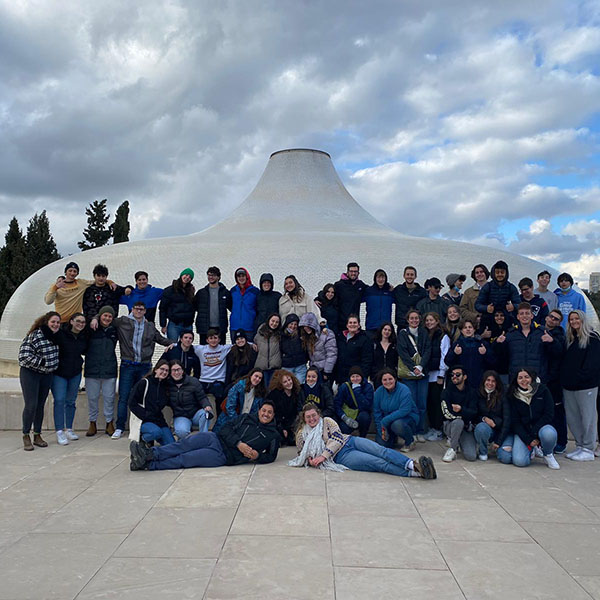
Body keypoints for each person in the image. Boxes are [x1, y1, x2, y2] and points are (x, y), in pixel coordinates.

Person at [91, 300, 175, 439]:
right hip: (127, 365)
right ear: (132, 309)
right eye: (136, 309)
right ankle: (119, 427)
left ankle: (140, 426)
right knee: (124, 397)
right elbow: (106, 319)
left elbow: (161, 339)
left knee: (142, 398)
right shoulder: (123, 321)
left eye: (141, 309)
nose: (139, 311)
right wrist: (94, 318)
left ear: (145, 311)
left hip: (144, 366)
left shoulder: (150, 326)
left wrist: (173, 343)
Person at [289, 403, 436, 479]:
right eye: (308, 417)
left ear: (318, 414)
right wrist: (310, 460)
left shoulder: (327, 421)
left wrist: (322, 456)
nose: (312, 419)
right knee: (377, 463)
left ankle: (412, 464)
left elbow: (337, 437)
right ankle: (417, 473)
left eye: (313, 415)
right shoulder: (302, 434)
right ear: (304, 419)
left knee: (381, 451)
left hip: (350, 441)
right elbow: (302, 453)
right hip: (341, 457)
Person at [129, 401, 280, 471]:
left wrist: (257, 456)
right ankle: (149, 454)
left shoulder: (273, 435)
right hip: (214, 438)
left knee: (186, 459)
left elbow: (271, 456)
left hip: (223, 456)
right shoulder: (246, 418)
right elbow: (224, 429)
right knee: (183, 445)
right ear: (259, 410)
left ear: (273, 415)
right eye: (264, 410)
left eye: (269, 412)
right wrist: (239, 443)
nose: (265, 414)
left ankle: (148, 465)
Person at [496, 368, 560, 469]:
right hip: (523, 432)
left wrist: (534, 434)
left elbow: (549, 414)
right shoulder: (512, 395)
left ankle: (547, 454)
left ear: (532, 378)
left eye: (527, 377)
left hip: (541, 428)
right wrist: (528, 439)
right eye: (520, 378)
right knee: (519, 461)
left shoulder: (543, 390)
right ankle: (531, 449)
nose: (523, 380)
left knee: (549, 433)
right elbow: (515, 422)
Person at [560, 310, 600, 461]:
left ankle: (589, 449)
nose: (574, 321)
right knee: (573, 418)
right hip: (569, 387)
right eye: (571, 319)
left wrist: (580, 378)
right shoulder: (571, 339)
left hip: (586, 386)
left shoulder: (592, 338)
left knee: (588, 417)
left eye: (577, 318)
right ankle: (580, 445)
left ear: (583, 320)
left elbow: (593, 364)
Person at [18, 312, 60, 450]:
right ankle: (26, 435)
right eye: (53, 322)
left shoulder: (56, 337)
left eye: (58, 322)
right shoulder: (35, 335)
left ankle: (37, 434)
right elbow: (23, 356)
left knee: (40, 405)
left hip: (46, 375)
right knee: (31, 405)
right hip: (30, 373)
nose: (55, 325)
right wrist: (42, 362)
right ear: (46, 322)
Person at [493, 302, 559, 383]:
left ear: (532, 315)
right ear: (518, 316)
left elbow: (557, 353)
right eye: (521, 313)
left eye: (527, 313)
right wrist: (498, 344)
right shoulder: (510, 334)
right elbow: (500, 356)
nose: (524, 316)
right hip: (517, 379)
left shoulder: (543, 332)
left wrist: (552, 342)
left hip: (537, 378)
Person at [51, 312, 87, 445]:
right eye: (78, 321)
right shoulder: (61, 334)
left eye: (83, 322)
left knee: (71, 401)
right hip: (60, 373)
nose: (80, 324)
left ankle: (69, 428)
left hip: (75, 373)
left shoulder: (83, 337)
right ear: (71, 321)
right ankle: (59, 430)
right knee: (59, 400)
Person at [397, 309, 431, 441]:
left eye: (416, 318)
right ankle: (411, 431)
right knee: (411, 404)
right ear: (407, 320)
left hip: (423, 374)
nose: (414, 320)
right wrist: (413, 367)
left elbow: (428, 350)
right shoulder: (403, 334)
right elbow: (402, 352)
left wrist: (421, 366)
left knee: (422, 404)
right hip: (408, 374)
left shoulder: (424, 332)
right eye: (412, 318)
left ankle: (420, 430)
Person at [84, 306, 119, 436]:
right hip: (92, 369)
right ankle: (92, 422)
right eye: (105, 315)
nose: (107, 318)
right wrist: (93, 319)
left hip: (109, 369)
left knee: (109, 398)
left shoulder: (114, 330)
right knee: (92, 398)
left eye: (110, 316)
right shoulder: (91, 329)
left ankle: (109, 422)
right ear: (100, 316)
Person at [128, 360, 175, 446]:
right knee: (156, 433)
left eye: (167, 371)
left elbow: (172, 403)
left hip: (159, 421)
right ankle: (142, 441)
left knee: (171, 445)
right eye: (162, 369)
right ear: (156, 369)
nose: (164, 372)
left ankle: (151, 441)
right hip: (143, 420)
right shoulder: (144, 383)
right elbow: (132, 403)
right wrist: (145, 415)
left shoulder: (166, 387)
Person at [373, 369, 419, 451]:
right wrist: (381, 430)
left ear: (395, 379)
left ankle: (410, 442)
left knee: (397, 425)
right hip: (387, 422)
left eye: (390, 379)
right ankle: (393, 438)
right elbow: (377, 412)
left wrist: (385, 420)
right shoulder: (378, 392)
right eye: (384, 380)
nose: (388, 382)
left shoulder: (404, 390)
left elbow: (405, 410)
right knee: (382, 444)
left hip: (406, 418)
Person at [445, 318, 495, 390]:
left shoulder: (482, 344)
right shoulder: (457, 344)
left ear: (474, 329)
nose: (468, 329)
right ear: (461, 330)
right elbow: (447, 362)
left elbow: (493, 362)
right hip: (462, 383)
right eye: (465, 328)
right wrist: (454, 353)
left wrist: (485, 353)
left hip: (479, 382)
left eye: (470, 327)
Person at [167, 360, 212, 439]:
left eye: (179, 369)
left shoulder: (193, 381)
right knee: (181, 432)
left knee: (206, 414)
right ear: (170, 372)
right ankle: (189, 444)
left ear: (183, 370)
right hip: (180, 416)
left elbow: (202, 397)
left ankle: (203, 438)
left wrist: (206, 405)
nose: (176, 372)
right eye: (174, 370)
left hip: (195, 414)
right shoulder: (167, 384)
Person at [441, 366, 477, 462]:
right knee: (458, 422)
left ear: (464, 377)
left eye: (458, 374)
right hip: (450, 425)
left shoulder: (472, 392)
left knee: (471, 456)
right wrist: (462, 416)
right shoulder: (446, 392)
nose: (454, 377)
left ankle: (457, 442)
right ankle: (452, 448)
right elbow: (445, 413)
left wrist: (461, 409)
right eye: (452, 375)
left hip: (466, 428)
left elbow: (474, 412)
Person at [423, 312, 450, 441]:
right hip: (427, 374)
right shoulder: (425, 335)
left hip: (437, 375)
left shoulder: (443, 336)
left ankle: (438, 429)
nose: (429, 323)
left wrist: (441, 374)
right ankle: (432, 427)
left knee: (437, 403)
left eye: (431, 320)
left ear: (437, 321)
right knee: (429, 403)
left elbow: (444, 356)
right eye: (427, 320)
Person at [543, 309, 567, 452]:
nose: (552, 320)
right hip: (542, 377)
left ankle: (561, 442)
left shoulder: (559, 335)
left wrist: (552, 341)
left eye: (556, 319)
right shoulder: (539, 330)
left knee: (557, 410)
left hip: (554, 379)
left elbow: (560, 350)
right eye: (551, 317)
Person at [473, 371, 510, 461]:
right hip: (485, 427)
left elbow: (507, 419)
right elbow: (474, 414)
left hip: (500, 429)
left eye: (493, 381)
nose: (490, 383)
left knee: (505, 457)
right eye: (488, 380)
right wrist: (484, 419)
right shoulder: (477, 393)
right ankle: (483, 452)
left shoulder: (503, 395)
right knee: (481, 428)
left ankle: (497, 447)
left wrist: (499, 441)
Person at [193, 329, 233, 412]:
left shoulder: (224, 349)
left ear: (219, 339)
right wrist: (171, 345)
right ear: (207, 340)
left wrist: (252, 345)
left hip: (218, 380)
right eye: (211, 338)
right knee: (195, 396)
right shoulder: (201, 349)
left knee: (219, 397)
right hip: (204, 380)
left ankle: (218, 419)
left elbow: (239, 343)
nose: (213, 340)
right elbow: (186, 345)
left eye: (215, 338)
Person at [475, 260, 520, 330]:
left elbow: (519, 304)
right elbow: (477, 305)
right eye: (497, 272)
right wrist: (486, 308)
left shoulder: (511, 287)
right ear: (494, 273)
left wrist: (513, 306)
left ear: (506, 273)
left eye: (502, 272)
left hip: (506, 321)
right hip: (489, 320)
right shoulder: (487, 287)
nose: (499, 274)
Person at [194, 266, 232, 344]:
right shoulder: (201, 293)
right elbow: (195, 307)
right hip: (205, 328)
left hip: (220, 328)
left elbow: (231, 307)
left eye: (213, 275)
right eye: (209, 275)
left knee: (220, 352)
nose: (211, 277)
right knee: (204, 352)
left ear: (218, 277)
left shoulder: (225, 293)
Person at [334, 366, 373, 437]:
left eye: (357, 376)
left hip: (361, 413)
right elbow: (337, 404)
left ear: (361, 376)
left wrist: (357, 390)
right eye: (353, 376)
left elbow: (366, 406)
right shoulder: (344, 387)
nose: (355, 379)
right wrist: (344, 417)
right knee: (344, 429)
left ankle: (362, 437)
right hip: (348, 414)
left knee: (364, 417)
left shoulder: (368, 387)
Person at [298, 312, 337, 384]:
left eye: (308, 325)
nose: (306, 328)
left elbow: (331, 354)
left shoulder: (327, 334)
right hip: (314, 370)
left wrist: (327, 372)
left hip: (324, 370)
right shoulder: (306, 338)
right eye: (304, 326)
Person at [267, 369, 303, 444]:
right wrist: (282, 428)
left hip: (292, 423)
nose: (288, 383)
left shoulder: (296, 392)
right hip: (278, 423)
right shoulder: (274, 395)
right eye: (285, 382)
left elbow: (297, 411)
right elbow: (275, 415)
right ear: (281, 384)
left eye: (289, 380)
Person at [159, 268, 196, 341]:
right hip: (174, 324)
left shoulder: (191, 291)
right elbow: (162, 308)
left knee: (186, 347)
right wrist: (163, 325)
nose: (187, 278)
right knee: (172, 346)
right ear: (181, 275)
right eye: (186, 275)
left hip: (187, 324)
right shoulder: (169, 290)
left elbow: (193, 306)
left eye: (190, 277)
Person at [335, 314, 373, 384]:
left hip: (356, 377)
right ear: (347, 325)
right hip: (341, 376)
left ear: (359, 325)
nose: (352, 325)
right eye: (350, 323)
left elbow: (367, 360)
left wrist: (363, 377)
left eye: (355, 323)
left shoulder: (364, 339)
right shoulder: (340, 338)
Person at [332, 262, 366, 331]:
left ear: (358, 273)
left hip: (354, 324)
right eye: (351, 271)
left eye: (355, 271)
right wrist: (318, 299)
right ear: (347, 272)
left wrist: (387, 287)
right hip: (341, 324)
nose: (353, 273)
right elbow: (328, 293)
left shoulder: (361, 285)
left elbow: (373, 290)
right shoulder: (339, 285)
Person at [393, 266, 427, 331]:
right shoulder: (398, 290)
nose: (409, 277)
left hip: (416, 325)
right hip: (401, 325)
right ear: (404, 276)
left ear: (415, 276)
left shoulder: (422, 292)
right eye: (407, 274)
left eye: (412, 275)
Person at [230, 267, 259, 340]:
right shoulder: (233, 291)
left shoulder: (255, 291)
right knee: (235, 350)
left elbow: (257, 307)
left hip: (249, 327)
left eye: (243, 276)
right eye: (239, 276)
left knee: (249, 349)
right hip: (235, 326)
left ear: (247, 277)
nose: (241, 278)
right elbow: (230, 305)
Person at [363, 269, 394, 337]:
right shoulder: (368, 291)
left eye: (383, 277)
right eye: (378, 277)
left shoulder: (390, 292)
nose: (381, 279)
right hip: (371, 326)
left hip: (386, 328)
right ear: (375, 279)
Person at [254, 313, 282, 387]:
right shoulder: (260, 333)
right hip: (261, 367)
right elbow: (254, 343)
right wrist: (252, 345)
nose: (274, 323)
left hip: (275, 367)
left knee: (273, 388)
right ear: (268, 321)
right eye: (273, 321)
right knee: (263, 389)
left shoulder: (279, 335)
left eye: (277, 322)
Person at [280, 313, 308, 383]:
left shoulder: (301, 334)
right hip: (287, 365)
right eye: (291, 324)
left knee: (299, 385)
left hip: (300, 365)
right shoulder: (281, 335)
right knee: (287, 385)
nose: (293, 326)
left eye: (295, 324)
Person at [370, 322, 398, 388]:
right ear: (381, 330)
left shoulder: (394, 345)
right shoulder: (374, 344)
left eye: (389, 330)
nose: (387, 332)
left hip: (391, 377)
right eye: (385, 329)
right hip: (377, 376)